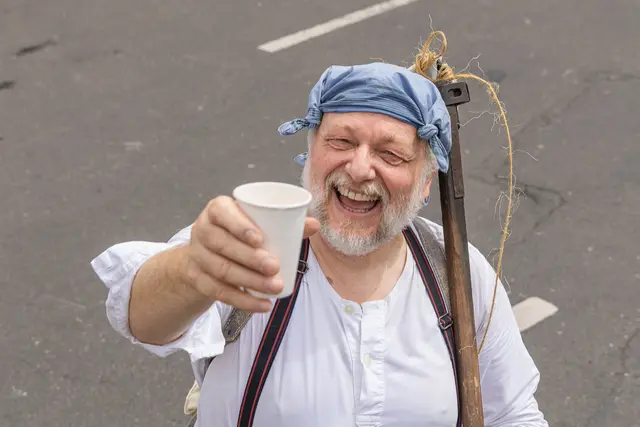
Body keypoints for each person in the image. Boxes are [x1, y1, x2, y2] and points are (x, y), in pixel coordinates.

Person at [91, 62, 548, 426]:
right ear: (310, 152)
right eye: (341, 141)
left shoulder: (456, 272)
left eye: (390, 154)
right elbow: (140, 318)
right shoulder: (255, 243)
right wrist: (192, 270)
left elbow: (511, 413)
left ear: (426, 181)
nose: (360, 169)